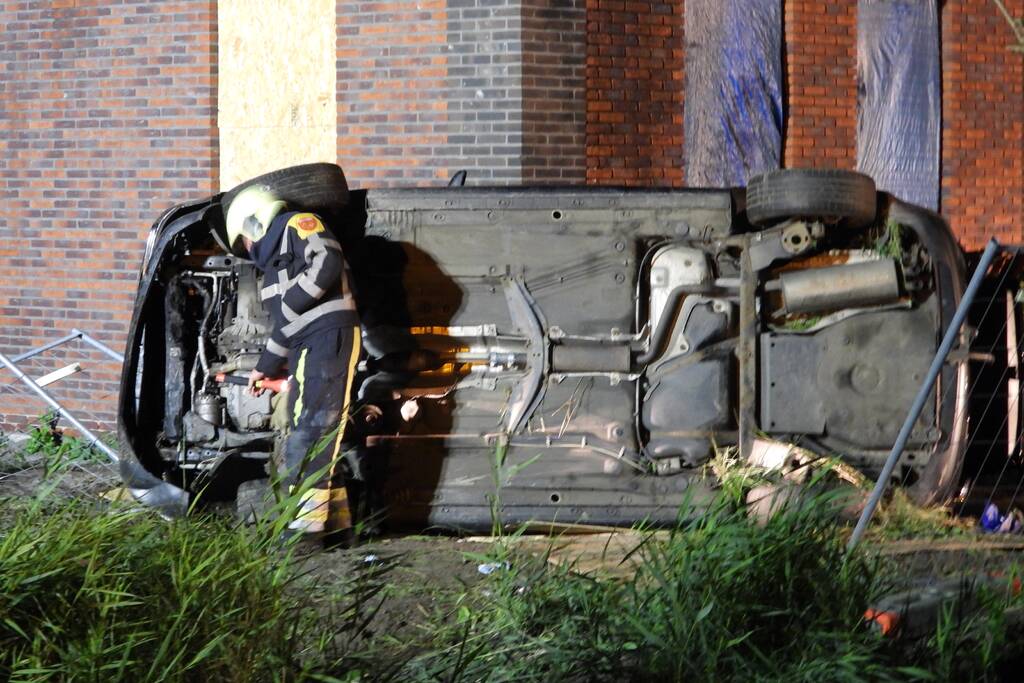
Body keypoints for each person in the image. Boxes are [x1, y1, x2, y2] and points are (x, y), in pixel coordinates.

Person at [225, 185, 360, 547]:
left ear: (255, 222)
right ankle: (337, 529)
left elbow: (327, 260)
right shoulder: (271, 271)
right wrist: (263, 369)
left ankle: (304, 534)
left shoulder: (297, 225)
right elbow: (284, 327)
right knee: (314, 431)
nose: (247, 250)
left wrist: (292, 301)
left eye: (244, 241)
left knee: (308, 435)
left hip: (327, 338)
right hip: (309, 345)